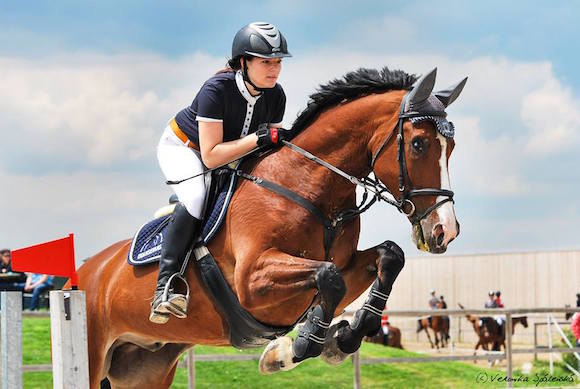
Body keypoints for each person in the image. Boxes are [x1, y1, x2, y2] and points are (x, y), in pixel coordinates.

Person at [150, 22, 292, 324]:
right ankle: (166, 285)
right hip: (186, 149)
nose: (275, 69)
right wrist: (258, 139)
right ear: (244, 62)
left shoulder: (276, 95)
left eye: (278, 61)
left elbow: (267, 148)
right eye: (266, 62)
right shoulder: (217, 89)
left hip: (231, 154)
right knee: (198, 195)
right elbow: (212, 156)